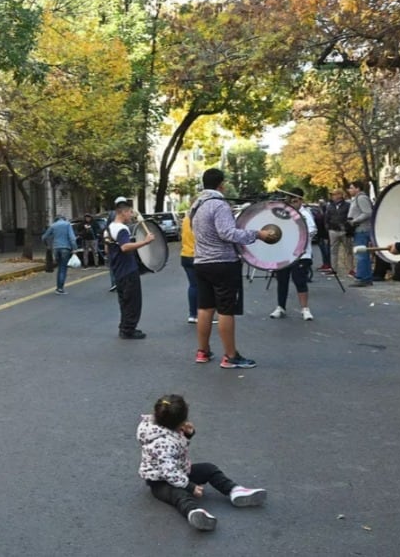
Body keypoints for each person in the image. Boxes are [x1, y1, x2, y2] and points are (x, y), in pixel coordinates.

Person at [136, 394, 266, 532]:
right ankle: (194, 512)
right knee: (180, 495)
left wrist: (187, 434)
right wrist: (190, 486)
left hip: (179, 470)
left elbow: (177, 450)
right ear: (179, 423)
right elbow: (169, 473)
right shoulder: (162, 444)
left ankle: (234, 490)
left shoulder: (159, 426)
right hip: (160, 481)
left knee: (208, 469)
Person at [190, 168, 277, 368]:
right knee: (225, 310)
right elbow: (227, 233)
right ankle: (230, 356)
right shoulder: (219, 205)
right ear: (221, 184)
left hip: (201, 262)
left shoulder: (196, 205)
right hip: (223, 263)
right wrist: (258, 234)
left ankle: (202, 352)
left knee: (204, 308)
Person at [105, 200, 154, 339]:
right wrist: (145, 241)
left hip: (117, 270)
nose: (131, 215)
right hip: (128, 269)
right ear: (123, 212)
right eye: (130, 212)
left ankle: (124, 326)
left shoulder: (108, 229)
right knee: (133, 301)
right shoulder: (121, 229)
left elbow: (107, 249)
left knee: (124, 301)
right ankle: (129, 329)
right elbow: (125, 247)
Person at [269, 189, 317, 320]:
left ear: (301, 200)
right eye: (289, 201)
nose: (292, 203)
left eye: (295, 201)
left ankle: (305, 309)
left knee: (300, 280)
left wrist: (298, 233)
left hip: (301, 253)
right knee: (282, 280)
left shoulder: (305, 214)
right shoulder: (284, 213)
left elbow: (312, 230)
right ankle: (280, 307)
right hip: (284, 253)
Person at [41, 214, 77, 295]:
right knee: (63, 268)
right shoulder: (67, 224)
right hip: (65, 248)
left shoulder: (53, 226)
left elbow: (44, 237)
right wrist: (74, 248)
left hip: (56, 248)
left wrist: (47, 245)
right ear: (64, 219)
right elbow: (72, 238)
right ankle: (60, 288)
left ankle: (58, 287)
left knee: (59, 267)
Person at [347, 180, 374, 287]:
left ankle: (362, 277)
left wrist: (354, 221)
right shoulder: (356, 199)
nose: (349, 190)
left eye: (351, 187)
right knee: (363, 254)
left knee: (361, 254)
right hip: (359, 230)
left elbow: (367, 213)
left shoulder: (361, 198)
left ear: (358, 188)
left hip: (362, 230)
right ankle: (365, 277)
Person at [325, 188, 352, 277]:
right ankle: (334, 269)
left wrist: (348, 228)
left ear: (340, 195)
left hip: (344, 231)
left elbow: (350, 217)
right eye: (332, 195)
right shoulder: (330, 206)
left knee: (348, 251)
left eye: (335, 194)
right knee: (333, 251)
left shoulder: (347, 205)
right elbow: (327, 218)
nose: (333, 196)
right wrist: (328, 228)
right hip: (333, 231)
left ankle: (350, 270)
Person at [313, 199, 330, 271]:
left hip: (325, 234)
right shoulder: (318, 212)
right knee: (323, 250)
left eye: (321, 203)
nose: (320, 204)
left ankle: (328, 264)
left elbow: (326, 224)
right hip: (320, 234)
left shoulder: (325, 212)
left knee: (326, 250)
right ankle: (325, 263)